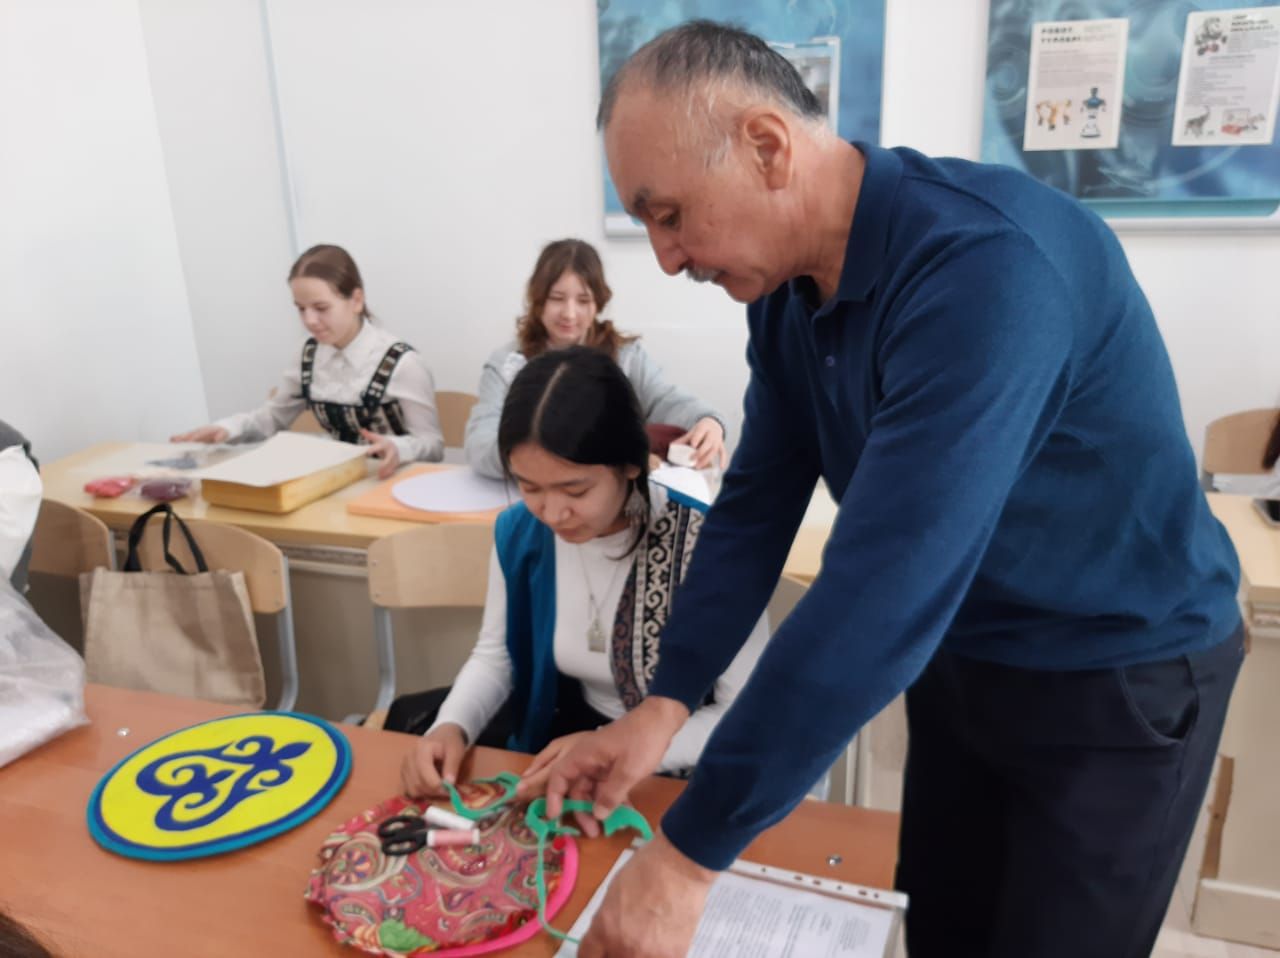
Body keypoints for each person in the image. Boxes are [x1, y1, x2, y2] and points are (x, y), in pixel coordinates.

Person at [541, 21, 1243, 958]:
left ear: (766, 146)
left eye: (669, 215)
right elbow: (756, 506)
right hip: (966, 656)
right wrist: (662, 705)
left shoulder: (988, 270)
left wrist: (687, 857)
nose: (667, 258)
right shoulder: (786, 295)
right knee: (943, 928)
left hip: (1114, 672)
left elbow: (881, 589)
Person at [398, 345, 767, 799]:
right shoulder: (522, 533)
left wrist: (610, 747)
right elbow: (497, 657)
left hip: (685, 764)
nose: (552, 513)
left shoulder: (707, 547)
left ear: (630, 464)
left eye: (575, 490)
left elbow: (743, 713)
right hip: (571, 745)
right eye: (529, 487)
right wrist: (451, 725)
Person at [172, 244, 443, 478]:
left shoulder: (403, 363)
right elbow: (273, 418)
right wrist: (226, 429)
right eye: (301, 309)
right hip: (336, 482)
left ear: (356, 300)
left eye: (321, 308)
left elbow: (432, 445)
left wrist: (399, 448)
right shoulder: (309, 355)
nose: (309, 320)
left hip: (395, 484)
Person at [463, 239, 725, 480]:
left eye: (583, 300)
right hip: (527, 496)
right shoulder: (508, 365)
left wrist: (706, 420)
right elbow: (480, 445)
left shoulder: (626, 358)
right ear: (538, 299)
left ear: (598, 303)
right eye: (557, 299)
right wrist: (542, 457)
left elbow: (665, 399)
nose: (569, 313)